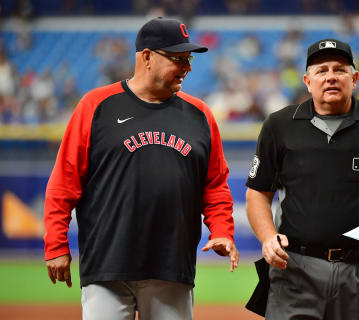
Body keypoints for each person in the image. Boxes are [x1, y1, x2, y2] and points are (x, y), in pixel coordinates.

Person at [43, 17, 239, 320]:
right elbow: (64, 182)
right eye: (178, 58)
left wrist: (223, 230)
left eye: (189, 59)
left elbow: (215, 186)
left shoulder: (200, 115)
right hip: (107, 265)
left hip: (171, 266)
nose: (187, 67)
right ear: (147, 57)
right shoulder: (96, 106)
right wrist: (56, 245)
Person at [245, 38, 359, 320]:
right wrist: (268, 237)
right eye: (321, 70)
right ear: (307, 80)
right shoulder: (279, 125)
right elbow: (257, 192)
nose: (331, 76)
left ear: (354, 77)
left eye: (340, 69)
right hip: (295, 269)